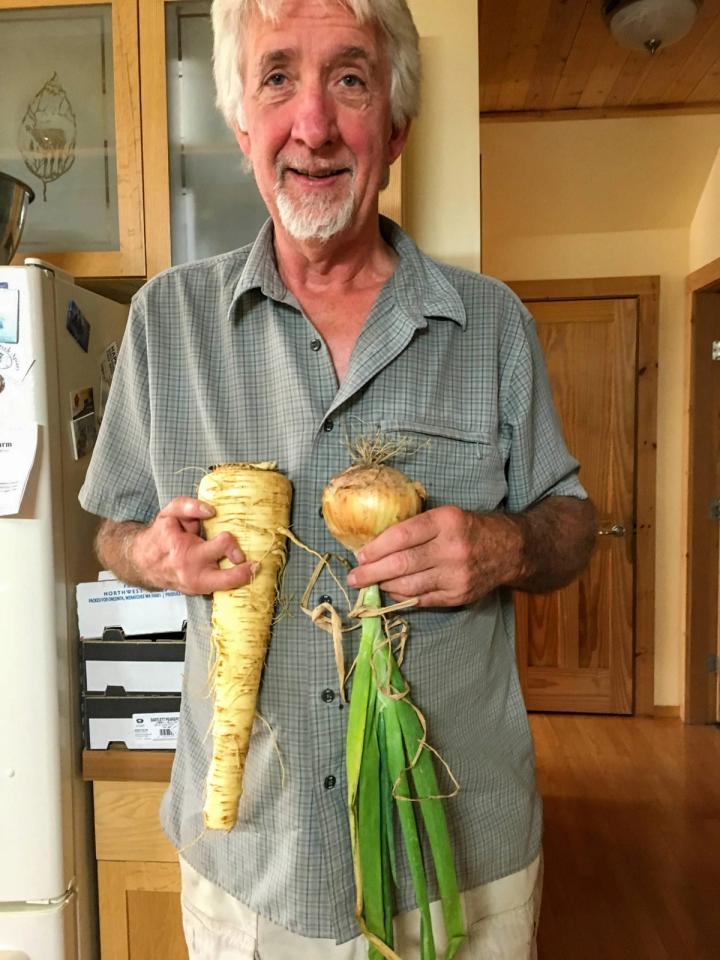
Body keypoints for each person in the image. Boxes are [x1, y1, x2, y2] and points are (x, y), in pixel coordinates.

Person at [79, 0, 597, 957]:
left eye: (349, 79)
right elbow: (111, 530)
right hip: (252, 867)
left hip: (459, 865)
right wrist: (150, 556)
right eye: (278, 76)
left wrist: (509, 543)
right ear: (242, 124)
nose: (312, 124)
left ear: (395, 128)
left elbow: (572, 523)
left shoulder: (493, 324)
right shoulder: (166, 324)